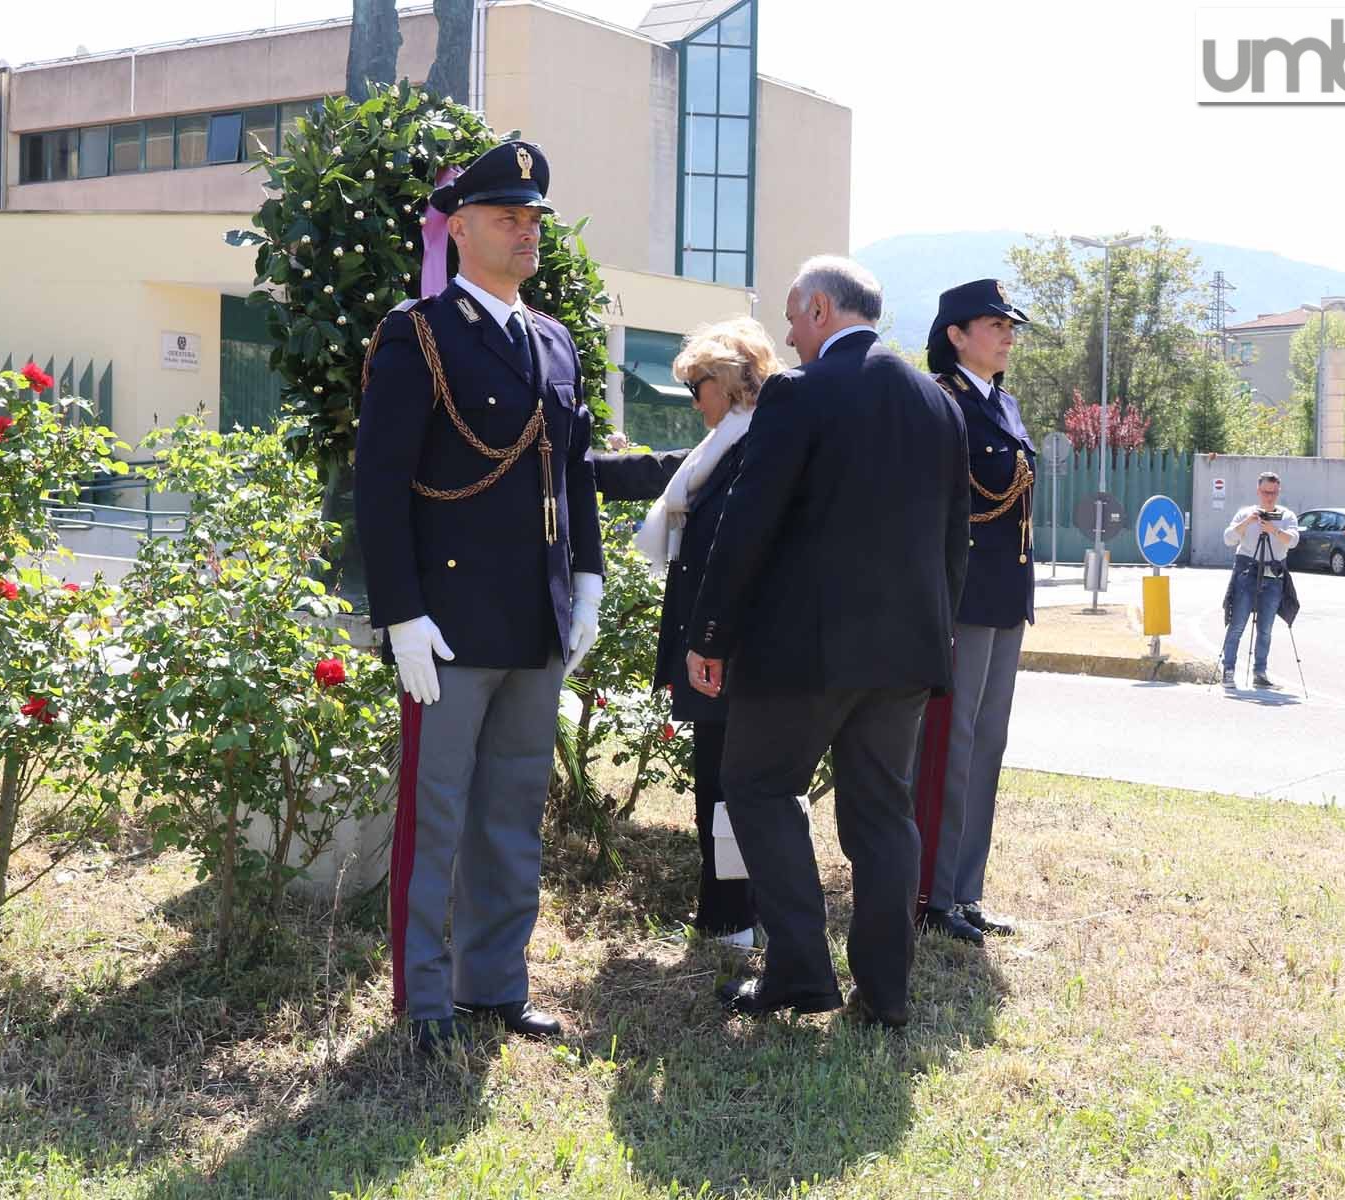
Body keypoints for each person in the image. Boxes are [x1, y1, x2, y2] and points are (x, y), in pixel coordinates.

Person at [354, 140, 603, 1053]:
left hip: (534, 617)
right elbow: (379, 486)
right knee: (436, 817)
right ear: (459, 230)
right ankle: (424, 1003)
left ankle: (494, 984)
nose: (526, 231)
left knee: (511, 811)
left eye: (534, 218)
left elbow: (570, 470)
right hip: (448, 623)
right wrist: (401, 614)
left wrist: (587, 580)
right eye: (508, 217)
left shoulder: (553, 340)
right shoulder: (416, 335)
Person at [685, 256, 970, 1029]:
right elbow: (955, 541)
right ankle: (885, 995)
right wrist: (933, 632)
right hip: (907, 650)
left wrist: (709, 632)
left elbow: (750, 521)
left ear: (819, 308)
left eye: (790, 314)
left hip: (802, 650)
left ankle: (801, 972)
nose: (785, 333)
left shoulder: (798, 391)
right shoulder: (938, 402)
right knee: (883, 816)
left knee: (756, 787)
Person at [588, 317, 783, 948]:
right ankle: (725, 911)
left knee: (731, 785)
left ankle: (735, 918)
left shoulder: (759, 445)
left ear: (726, 384)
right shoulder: (724, 444)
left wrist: (713, 642)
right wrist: (578, 464)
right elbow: (658, 471)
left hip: (736, 648)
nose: (693, 398)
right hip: (721, 645)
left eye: (697, 385)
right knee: (719, 779)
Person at [912, 279, 1036, 947]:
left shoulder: (1004, 404)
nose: (1008, 334)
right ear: (957, 335)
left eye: (1010, 325)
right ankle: (932, 892)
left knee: (988, 745)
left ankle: (966, 890)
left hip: (1007, 595)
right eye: (995, 325)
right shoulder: (942, 401)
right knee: (950, 746)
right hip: (960, 598)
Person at [1221, 472, 1300, 690]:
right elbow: (1228, 538)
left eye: (1273, 493)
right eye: (1265, 492)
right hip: (1247, 572)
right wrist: (1248, 522)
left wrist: (1273, 530)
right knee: (1237, 624)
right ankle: (1228, 670)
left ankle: (1260, 672)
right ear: (1258, 491)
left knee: (1265, 629)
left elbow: (1293, 541)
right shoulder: (1245, 513)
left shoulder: (1286, 516)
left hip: (1273, 576)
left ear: (1278, 492)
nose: (1269, 497)